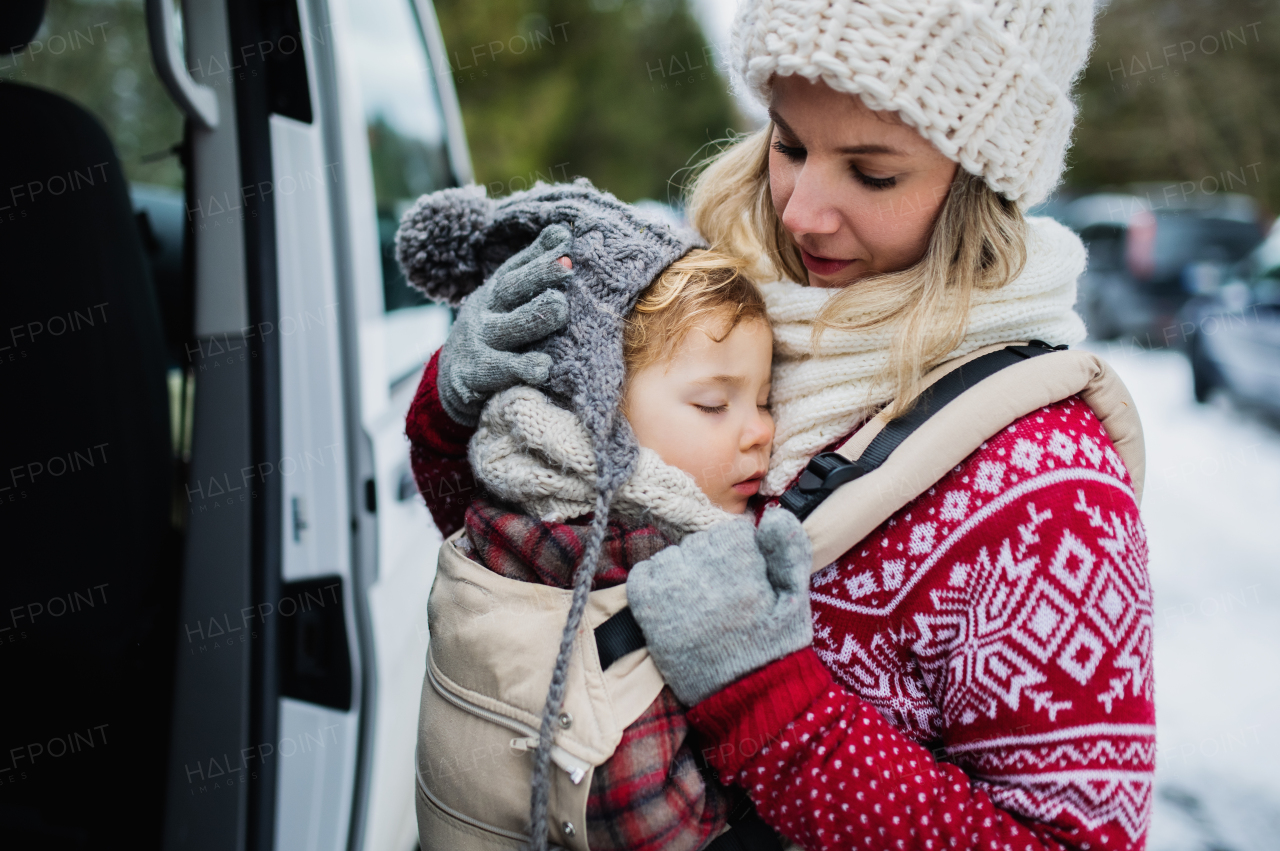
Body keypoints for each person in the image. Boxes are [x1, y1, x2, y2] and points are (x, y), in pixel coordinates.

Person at [406, 1, 1155, 849]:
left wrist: (770, 703)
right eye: (790, 144)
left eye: (872, 173)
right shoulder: (714, 302)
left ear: (981, 185)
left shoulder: (1049, 490)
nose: (802, 212)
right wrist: (454, 405)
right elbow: (534, 575)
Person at [400, 180, 790, 851]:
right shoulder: (620, 556)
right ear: (600, 411)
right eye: (713, 403)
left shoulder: (517, 497)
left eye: (764, 398)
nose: (761, 431)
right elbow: (655, 821)